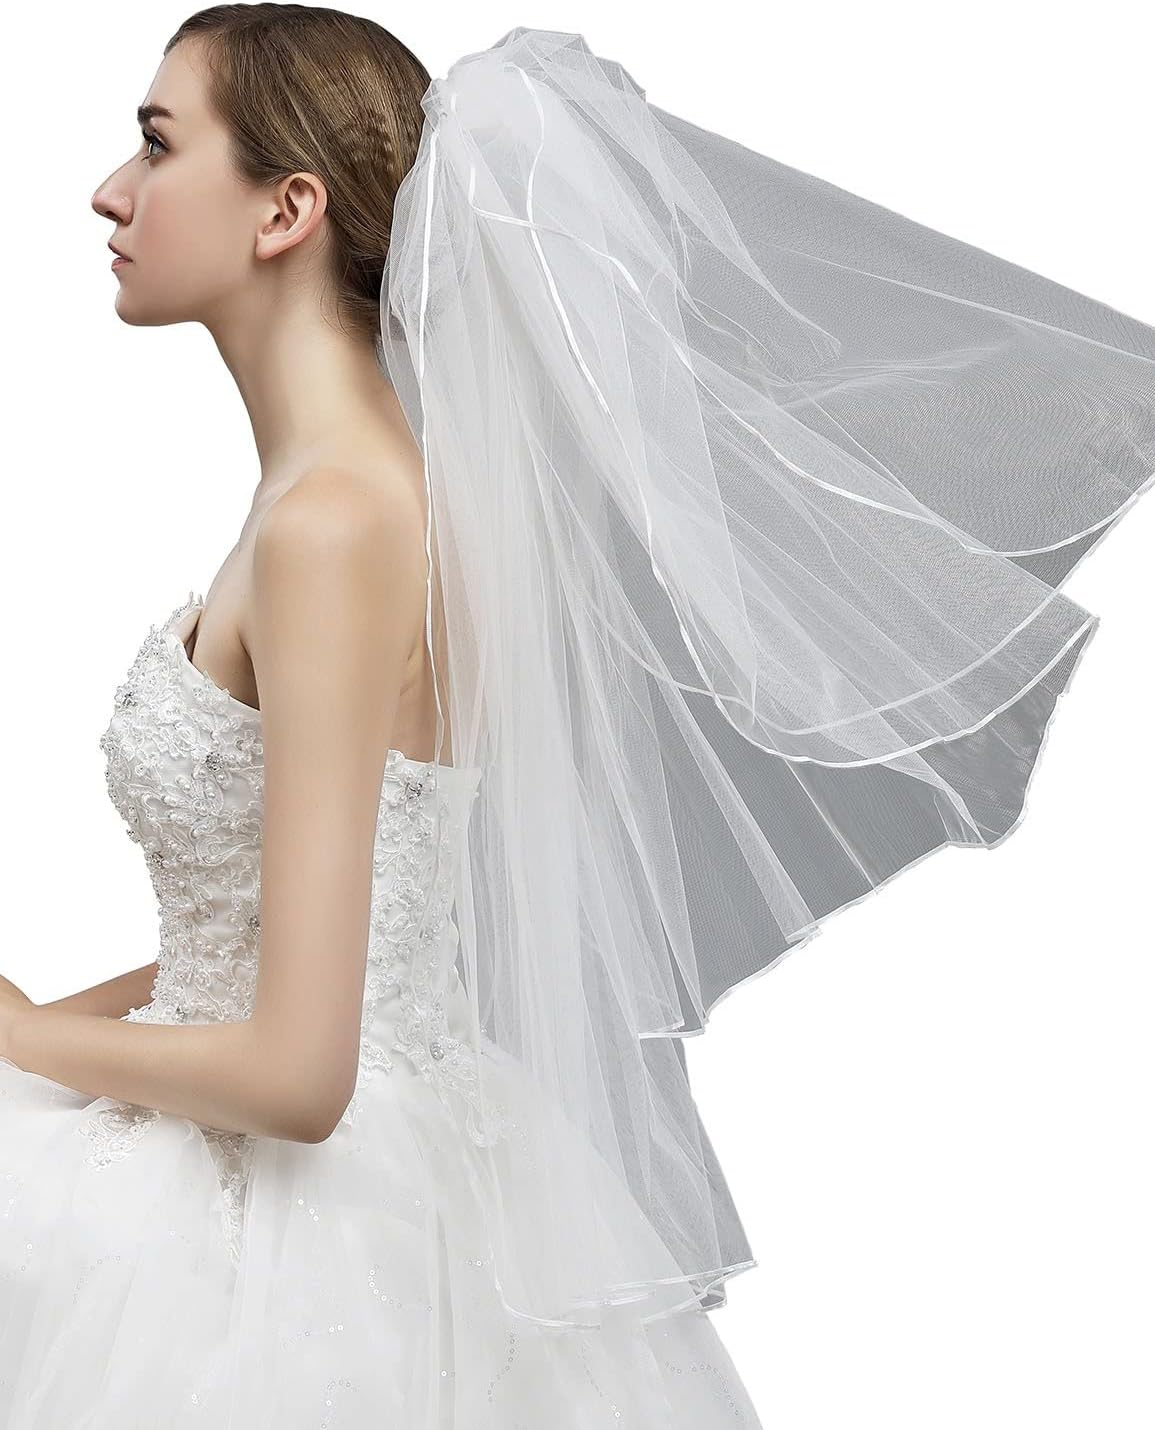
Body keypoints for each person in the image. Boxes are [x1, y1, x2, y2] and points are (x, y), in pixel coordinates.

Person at [2, 9, 1153, 1427]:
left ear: (286, 210)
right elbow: (265, 940)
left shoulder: (333, 524)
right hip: (389, 1164)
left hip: (291, 1240)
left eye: (156, 145)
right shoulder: (352, 492)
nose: (110, 191)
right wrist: (38, 1014)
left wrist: (24, 1043)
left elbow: (299, 1073)